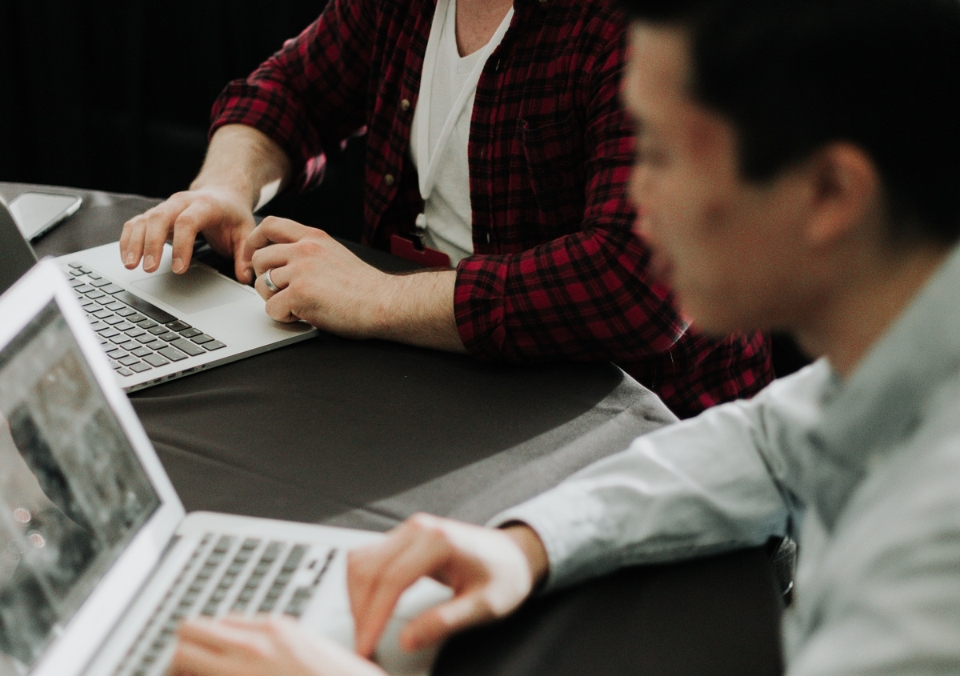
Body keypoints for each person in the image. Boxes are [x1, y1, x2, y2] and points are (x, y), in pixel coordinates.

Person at [166, 0, 960, 673]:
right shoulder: (900, 355)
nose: (633, 198)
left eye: (657, 150)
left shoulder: (929, 557)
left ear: (829, 193)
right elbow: (769, 443)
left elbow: (628, 282)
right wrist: (526, 543)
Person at [116, 0, 772, 420]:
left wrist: (376, 300)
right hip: (438, 370)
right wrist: (225, 187)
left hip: (636, 423)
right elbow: (290, 93)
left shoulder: (643, 23)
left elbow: (639, 286)